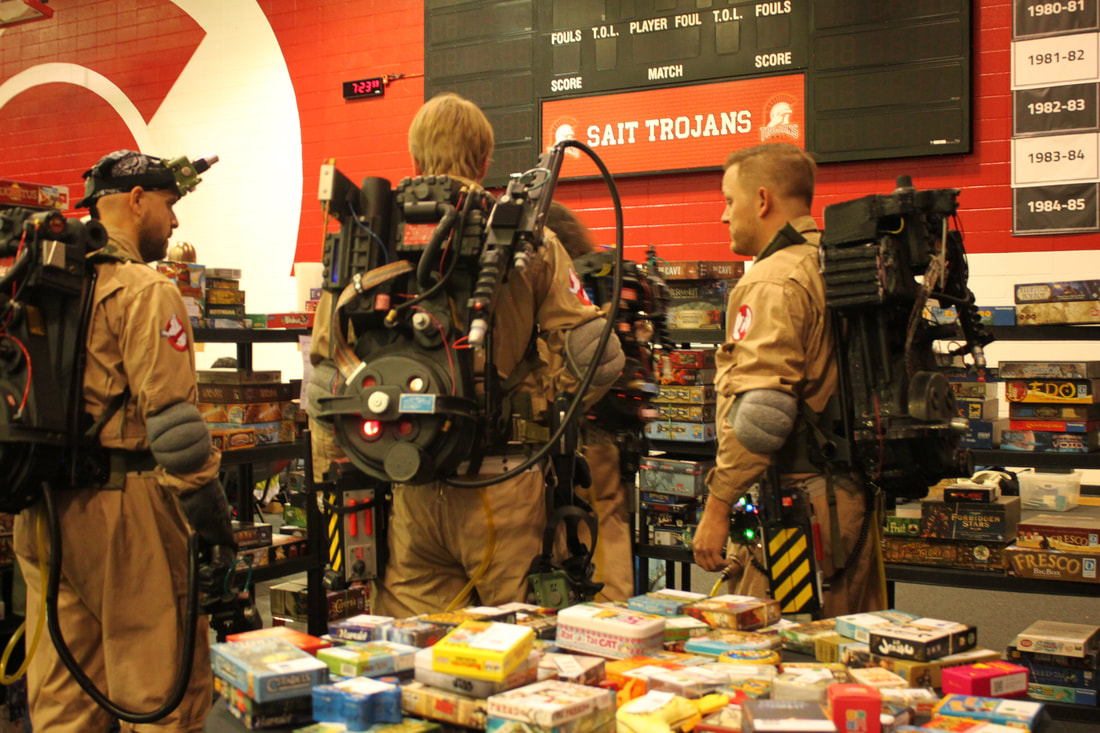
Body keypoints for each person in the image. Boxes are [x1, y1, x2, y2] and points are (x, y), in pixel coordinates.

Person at [308, 93, 624, 616]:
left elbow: (325, 378)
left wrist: (335, 480)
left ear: (414, 159)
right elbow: (600, 354)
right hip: (502, 488)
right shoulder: (530, 238)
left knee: (411, 644)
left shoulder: (366, 239)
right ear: (483, 161)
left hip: (410, 483)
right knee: (520, 641)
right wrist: (548, 406)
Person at [13, 150, 235, 733]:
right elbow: (176, 432)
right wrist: (214, 527)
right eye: (169, 203)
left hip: (43, 514)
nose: (175, 220)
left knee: (65, 706)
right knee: (159, 696)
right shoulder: (144, 290)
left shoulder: (40, 284)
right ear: (137, 201)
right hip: (125, 519)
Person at [692, 143, 884, 617]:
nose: (724, 215)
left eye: (729, 200)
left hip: (800, 511)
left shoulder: (770, 281)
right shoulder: (834, 264)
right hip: (851, 500)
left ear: (762, 200)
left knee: (772, 645)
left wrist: (717, 508)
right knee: (843, 641)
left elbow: (763, 415)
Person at [544, 201, 634, 602]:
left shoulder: (561, 288)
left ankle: (602, 613)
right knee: (606, 523)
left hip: (580, 436)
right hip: (605, 434)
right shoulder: (594, 285)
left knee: (587, 531)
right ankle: (608, 613)